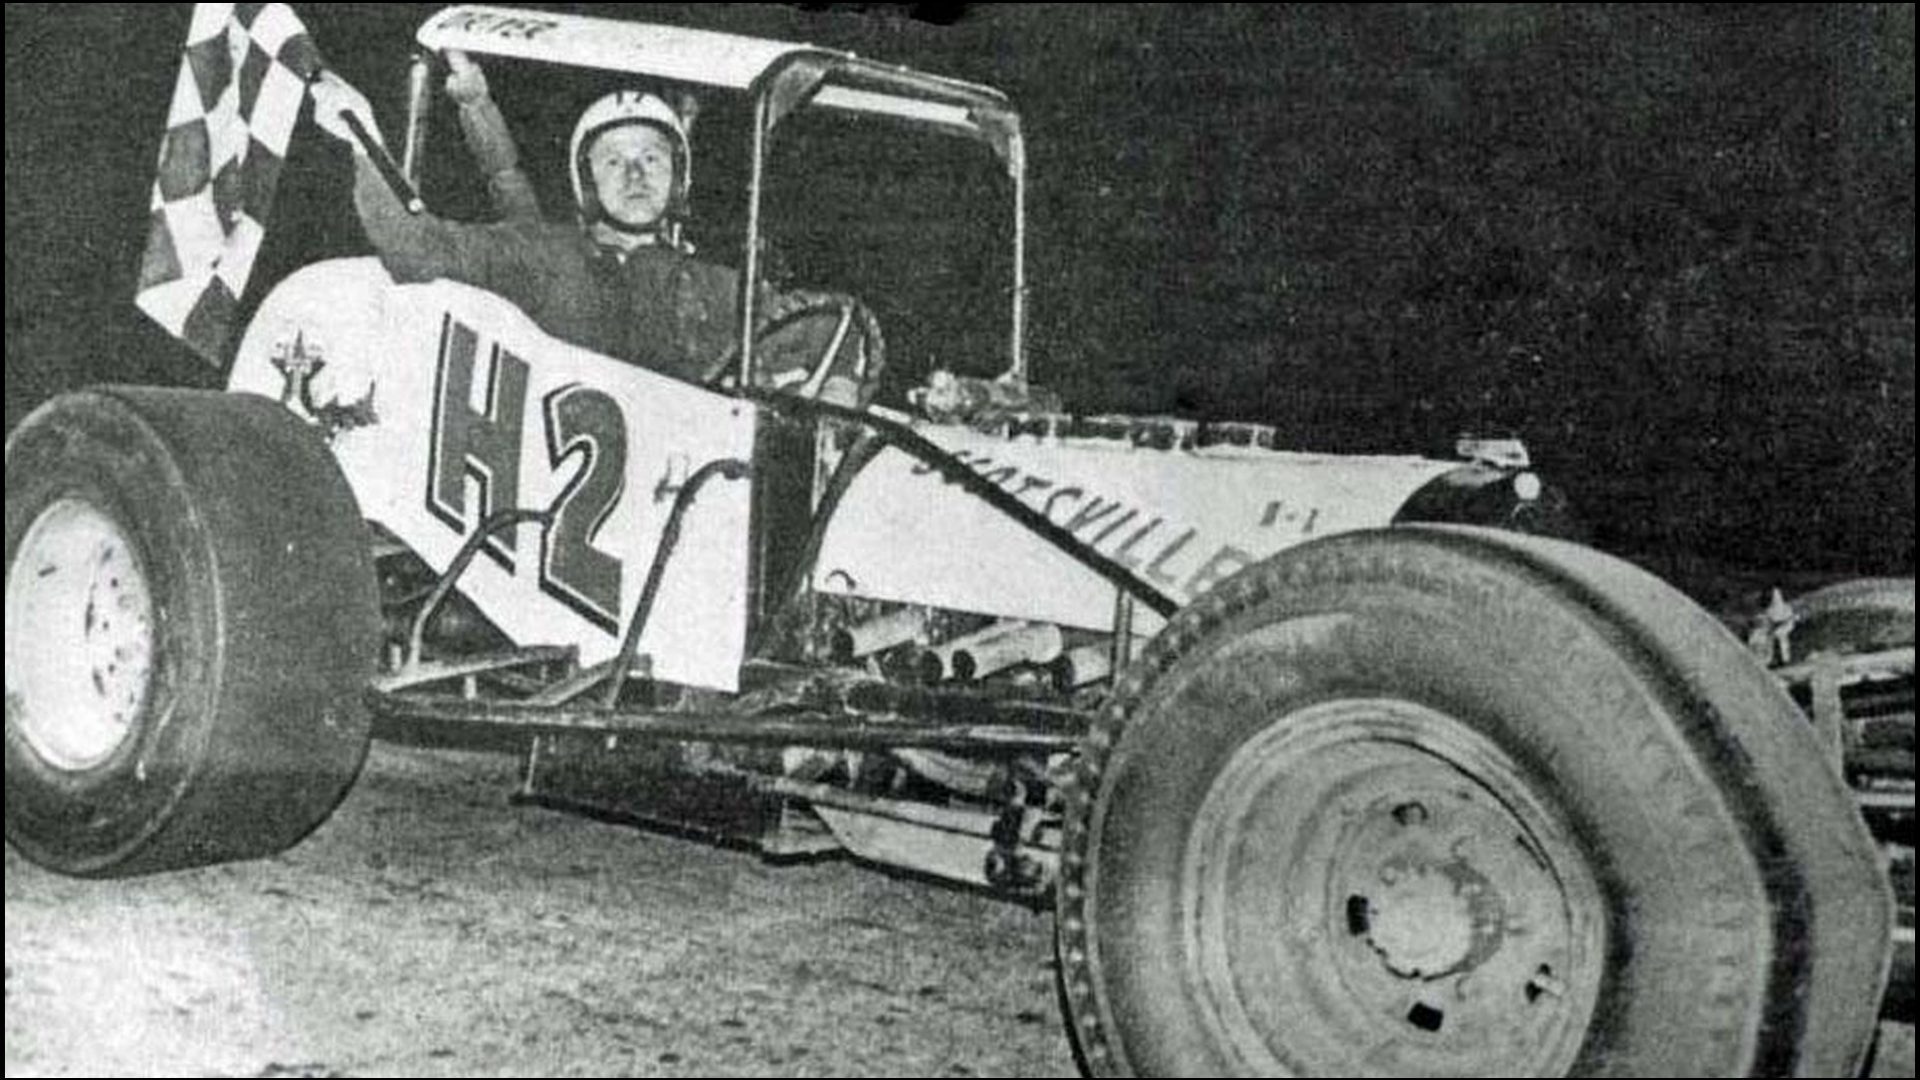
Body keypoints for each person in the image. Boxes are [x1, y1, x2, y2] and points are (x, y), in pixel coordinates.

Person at [310, 58, 874, 402]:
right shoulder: (541, 255)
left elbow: (841, 330)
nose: (635, 175)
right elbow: (417, 247)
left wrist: (838, 387)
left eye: (652, 159)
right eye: (613, 161)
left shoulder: (719, 288)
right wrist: (364, 143)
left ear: (679, 179)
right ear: (587, 182)